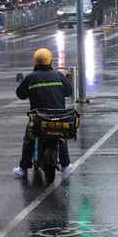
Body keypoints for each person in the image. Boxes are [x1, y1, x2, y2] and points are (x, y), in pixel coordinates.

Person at [12, 48, 73, 178]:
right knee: (61, 136)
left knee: (29, 138)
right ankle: (66, 165)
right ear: (50, 60)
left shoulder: (31, 78)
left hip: (39, 118)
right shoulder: (58, 76)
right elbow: (69, 92)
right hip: (59, 117)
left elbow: (20, 94)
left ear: (36, 61)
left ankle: (23, 168)